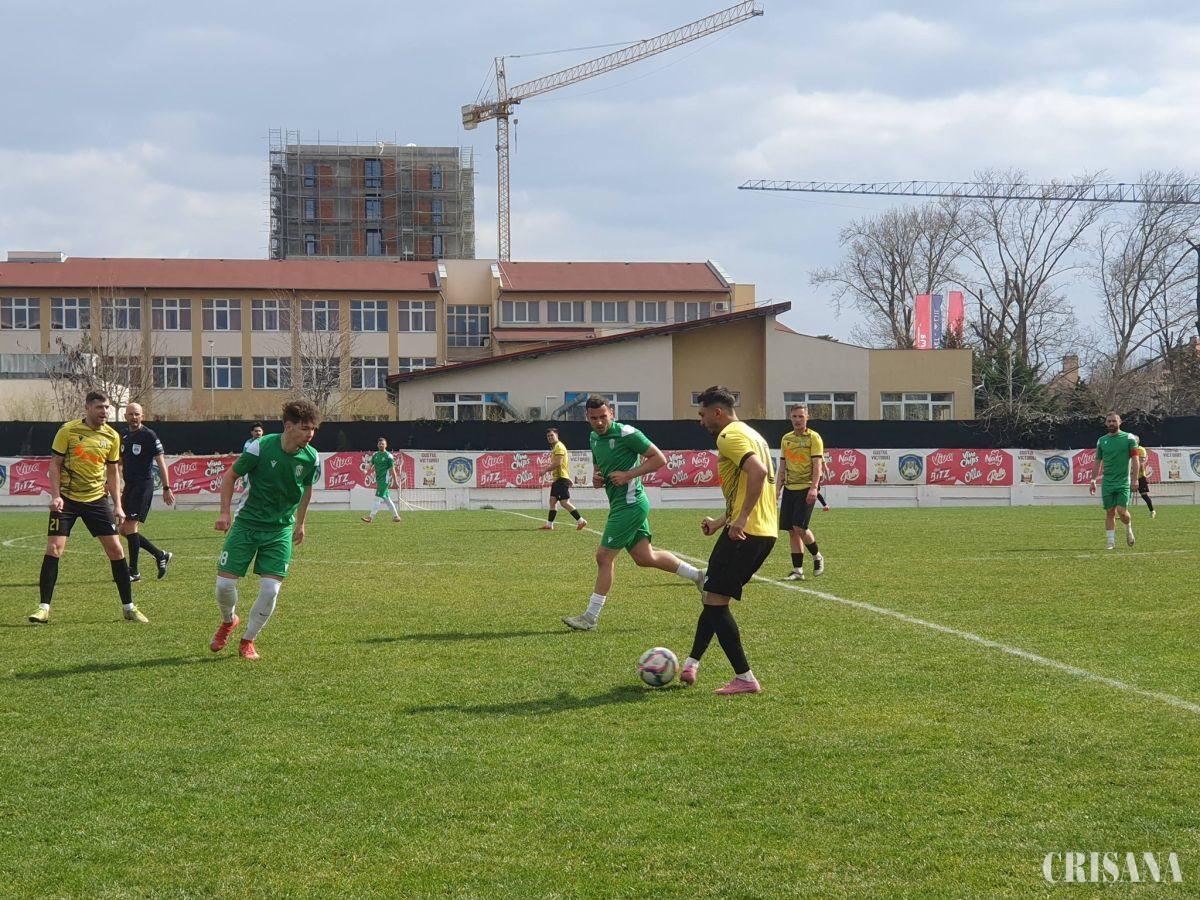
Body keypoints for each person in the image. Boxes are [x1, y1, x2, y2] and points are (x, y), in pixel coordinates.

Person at [562, 396, 704, 631]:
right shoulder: (594, 437)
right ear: (587, 418)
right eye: (594, 418)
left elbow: (659, 459)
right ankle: (699, 576)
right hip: (620, 504)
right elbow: (599, 470)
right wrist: (597, 479)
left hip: (631, 504)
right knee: (644, 557)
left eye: (603, 417)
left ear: (612, 414)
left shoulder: (627, 433)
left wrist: (629, 475)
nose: (599, 422)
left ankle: (590, 618)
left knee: (604, 557)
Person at [680, 385, 777, 695]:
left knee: (715, 601)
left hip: (747, 532)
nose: (701, 421)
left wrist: (742, 519)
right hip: (763, 531)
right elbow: (748, 483)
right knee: (713, 596)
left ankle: (745, 677)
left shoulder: (728, 435)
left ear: (718, 412)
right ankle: (692, 663)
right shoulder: (753, 435)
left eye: (703, 414)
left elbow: (757, 473)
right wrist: (722, 520)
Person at [211, 400, 321, 660]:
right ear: (289, 426)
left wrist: (301, 523)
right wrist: (225, 512)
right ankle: (229, 621)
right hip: (247, 523)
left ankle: (248, 639)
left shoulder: (311, 457)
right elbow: (230, 476)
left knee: (271, 590)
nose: (310, 434)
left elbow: (307, 490)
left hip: (280, 530)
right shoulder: (260, 447)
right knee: (224, 585)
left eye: (313, 429)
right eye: (305, 428)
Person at [28, 390, 148, 624]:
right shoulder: (68, 431)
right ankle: (43, 608)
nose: (104, 412)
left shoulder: (112, 436)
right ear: (87, 408)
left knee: (116, 550)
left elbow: (113, 472)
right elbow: (55, 464)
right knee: (54, 549)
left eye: (107, 408)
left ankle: (129, 607)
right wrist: (56, 496)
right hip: (67, 500)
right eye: (99, 407)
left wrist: (118, 505)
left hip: (96, 500)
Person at [119, 402, 174, 582]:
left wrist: (166, 488)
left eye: (137, 414)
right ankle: (160, 555)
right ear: (125, 416)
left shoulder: (149, 435)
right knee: (123, 530)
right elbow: (119, 462)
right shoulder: (124, 435)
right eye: (131, 414)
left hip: (143, 486)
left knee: (131, 527)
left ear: (142, 416)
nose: (134, 417)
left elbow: (161, 463)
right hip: (129, 486)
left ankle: (134, 572)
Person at [777, 404, 825, 581]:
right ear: (790, 418)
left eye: (801, 416)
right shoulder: (786, 438)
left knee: (799, 526)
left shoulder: (814, 438)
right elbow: (782, 465)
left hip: (806, 487)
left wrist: (814, 487)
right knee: (791, 530)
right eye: (794, 416)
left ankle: (817, 556)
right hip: (790, 488)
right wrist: (777, 488)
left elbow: (817, 464)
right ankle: (798, 570)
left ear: (807, 418)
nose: (797, 420)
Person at [1088, 412, 1139, 550]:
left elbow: (1135, 460)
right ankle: (1111, 542)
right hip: (1107, 482)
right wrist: (1093, 480)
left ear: (1120, 422)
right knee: (1110, 512)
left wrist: (1135, 479)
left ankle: (1128, 528)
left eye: (1114, 421)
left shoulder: (1129, 438)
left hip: (1123, 481)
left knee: (1122, 511)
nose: (1111, 423)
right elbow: (1097, 462)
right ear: (1106, 423)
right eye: (1109, 421)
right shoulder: (1101, 441)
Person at [538, 427, 586, 531]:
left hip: (560, 479)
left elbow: (558, 463)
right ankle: (549, 525)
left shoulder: (559, 447)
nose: (550, 437)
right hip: (558, 479)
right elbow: (563, 464)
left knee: (564, 502)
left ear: (557, 435)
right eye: (548, 436)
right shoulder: (556, 447)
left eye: (552, 435)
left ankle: (581, 521)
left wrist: (545, 470)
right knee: (552, 501)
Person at [361, 436, 402, 523]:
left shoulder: (388, 456)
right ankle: (396, 516)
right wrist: (366, 470)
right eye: (380, 444)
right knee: (387, 499)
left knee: (377, 498)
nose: (381, 445)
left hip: (384, 480)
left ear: (386, 445)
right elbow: (371, 464)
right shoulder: (375, 455)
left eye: (383, 444)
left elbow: (393, 470)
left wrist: (396, 482)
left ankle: (370, 517)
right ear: (377, 445)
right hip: (379, 480)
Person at [235, 422, 265, 513]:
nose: (258, 433)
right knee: (248, 491)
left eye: (259, 431)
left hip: (263, 471)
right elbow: (248, 458)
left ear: (262, 432)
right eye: (256, 431)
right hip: (250, 472)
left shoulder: (266, 442)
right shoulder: (248, 443)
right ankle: (243, 510)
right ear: (252, 432)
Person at [1134, 443, 1156, 519]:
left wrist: (1137, 476)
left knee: (1144, 495)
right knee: (1124, 494)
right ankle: (1123, 513)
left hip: (1140, 477)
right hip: (1129, 476)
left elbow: (1141, 464)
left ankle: (1152, 511)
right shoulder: (1127, 449)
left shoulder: (1141, 449)